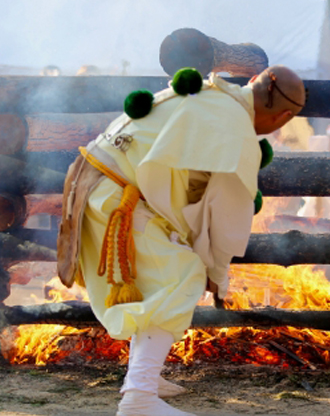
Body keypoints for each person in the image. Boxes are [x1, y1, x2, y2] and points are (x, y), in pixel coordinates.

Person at [57, 65, 305, 415]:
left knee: (161, 280)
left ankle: (145, 378)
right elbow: (227, 222)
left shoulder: (211, 93)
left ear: (252, 82)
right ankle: (139, 399)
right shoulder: (237, 132)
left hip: (94, 181)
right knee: (182, 276)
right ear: (284, 116)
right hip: (115, 197)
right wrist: (216, 275)